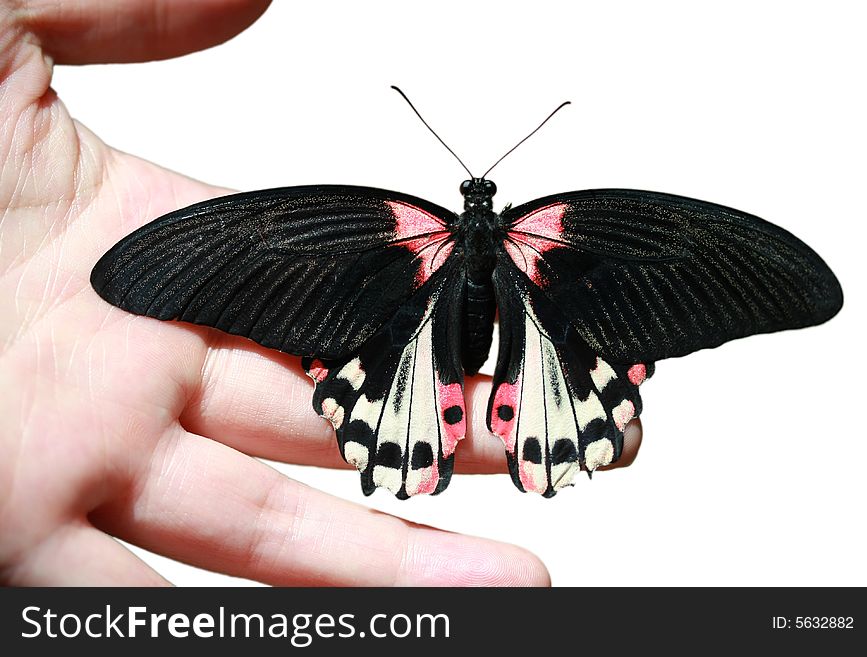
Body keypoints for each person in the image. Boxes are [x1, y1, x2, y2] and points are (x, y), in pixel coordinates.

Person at [0, 0, 640, 586]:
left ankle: (458, 424)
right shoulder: (538, 231)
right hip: (481, 349)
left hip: (410, 356)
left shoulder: (403, 230)